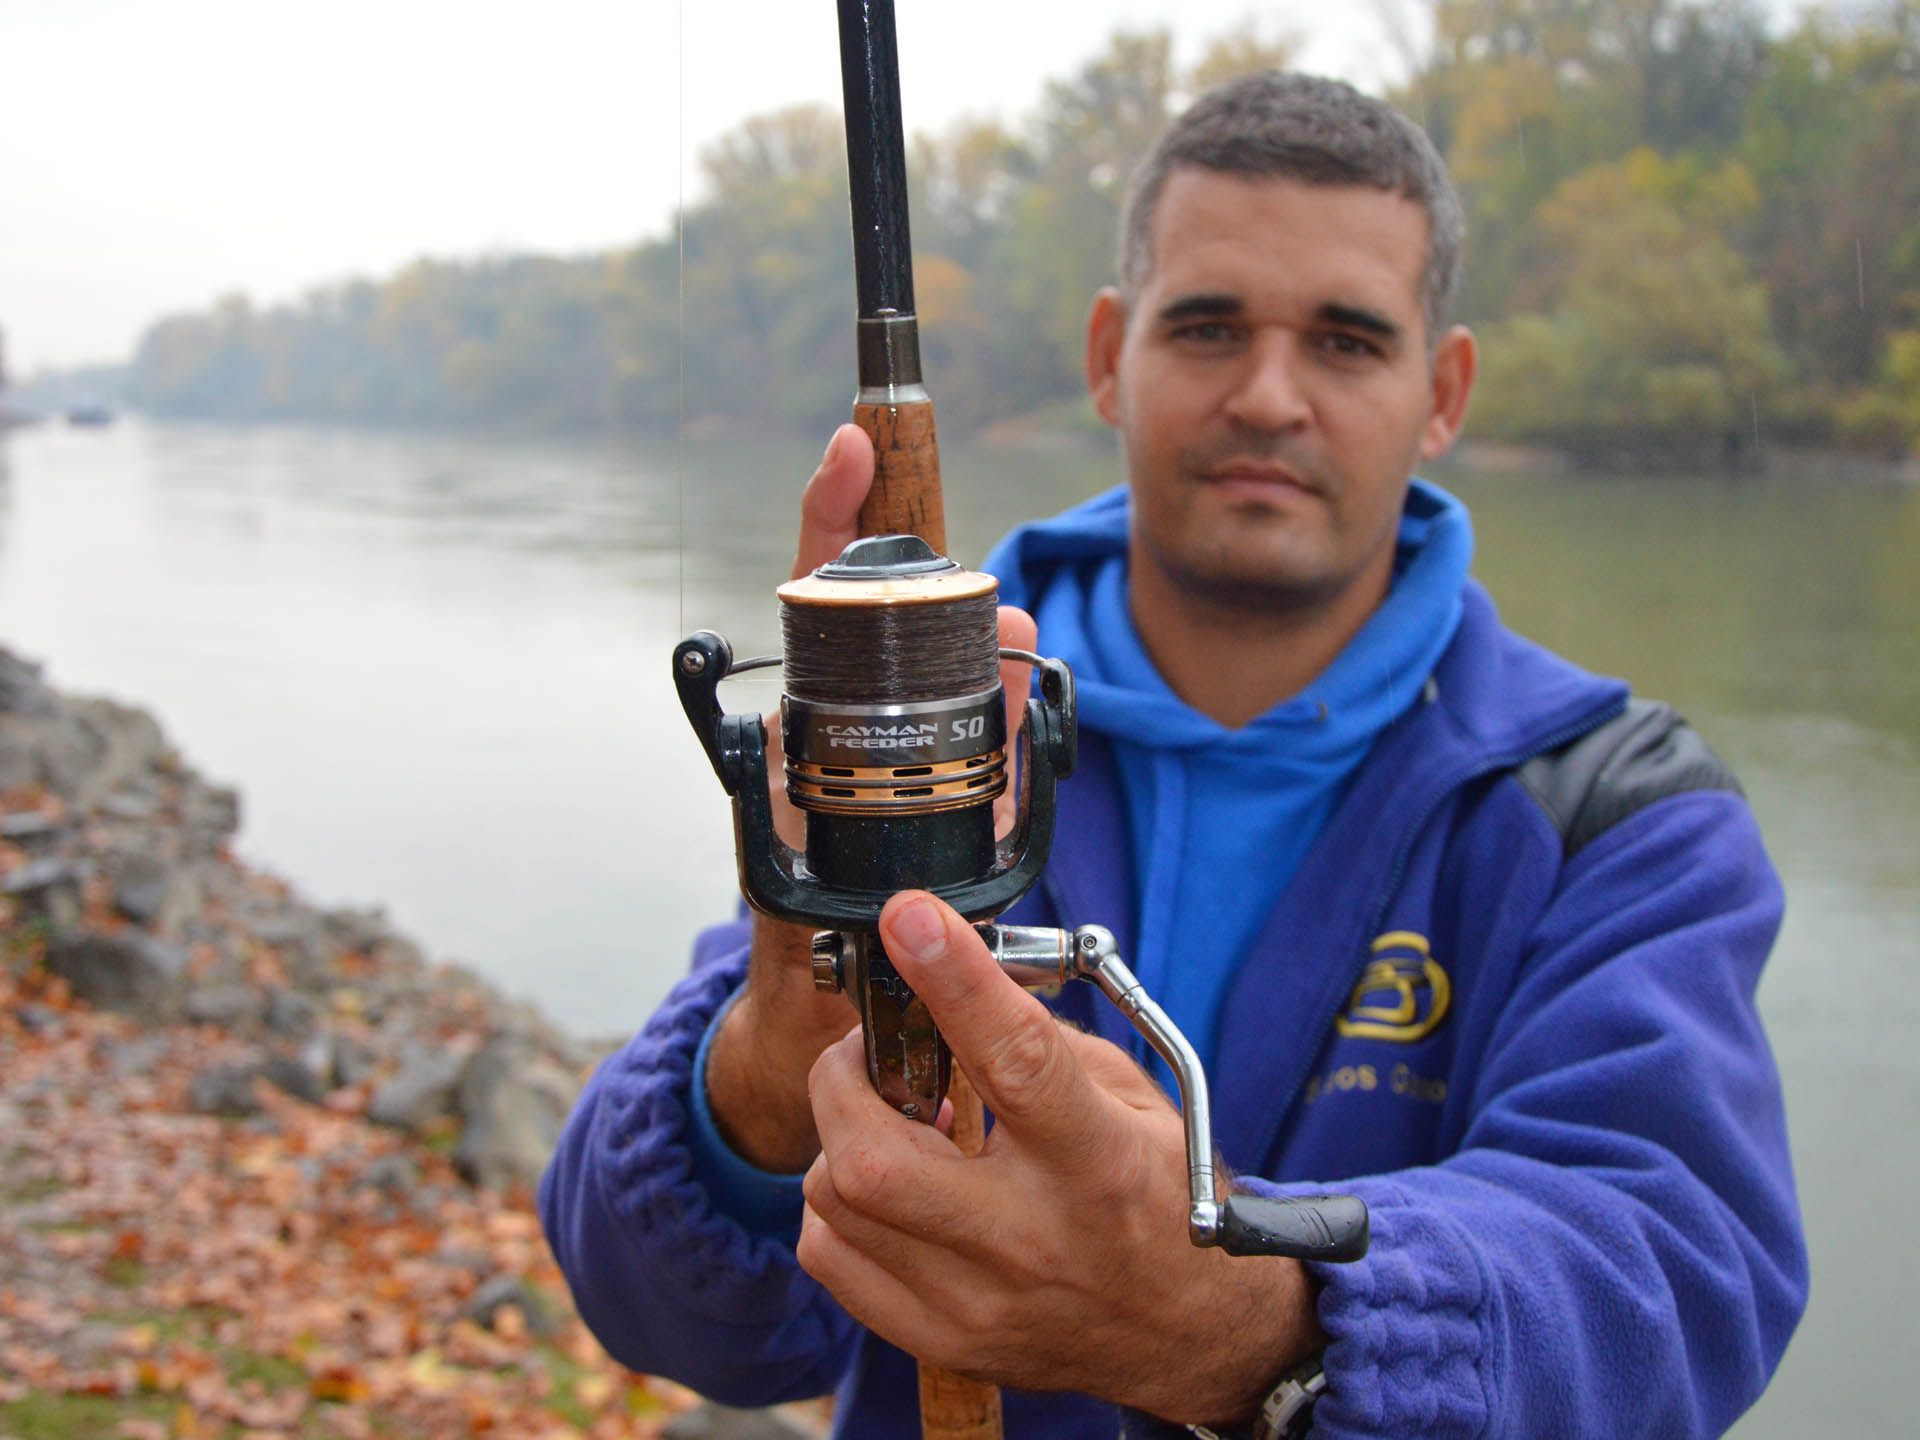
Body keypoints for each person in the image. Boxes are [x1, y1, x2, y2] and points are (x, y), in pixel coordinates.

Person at [540, 73, 1807, 1439]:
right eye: (1206, 327)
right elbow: (663, 1315)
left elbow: (1678, 1275)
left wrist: (1248, 1322)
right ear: (1108, 354)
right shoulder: (947, 742)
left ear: (1443, 392)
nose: (1269, 398)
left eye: (1347, 342)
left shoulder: (1616, 810)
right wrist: (769, 1066)